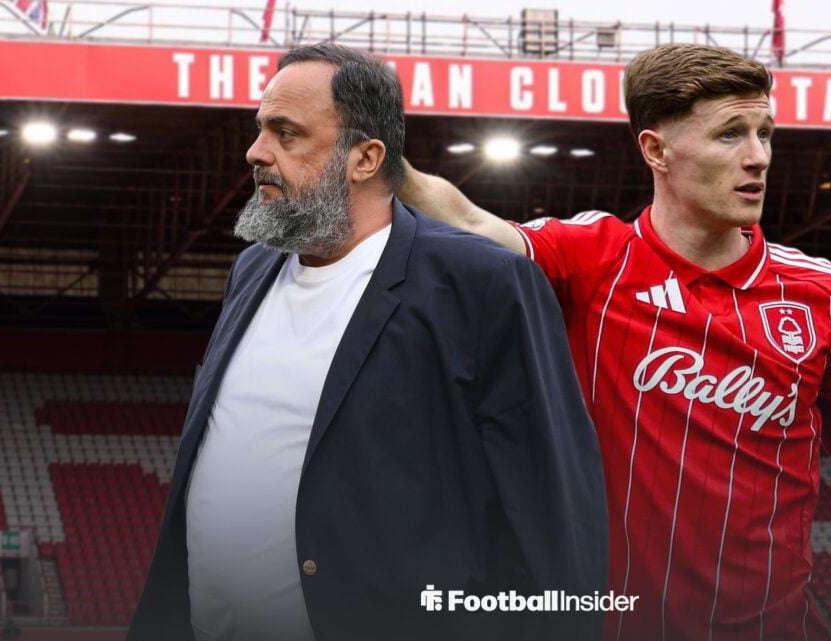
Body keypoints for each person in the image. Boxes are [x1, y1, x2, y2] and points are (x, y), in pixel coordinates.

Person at [399, 44, 831, 641]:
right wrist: (367, 137)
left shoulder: (823, 295)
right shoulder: (593, 260)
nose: (758, 157)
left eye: (764, 132)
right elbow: (464, 222)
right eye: (730, 135)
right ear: (656, 150)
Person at [127, 44, 609, 641]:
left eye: (286, 133)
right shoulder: (253, 269)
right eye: (260, 130)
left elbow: (554, 509)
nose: (256, 152)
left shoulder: (482, 283)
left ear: (366, 157)